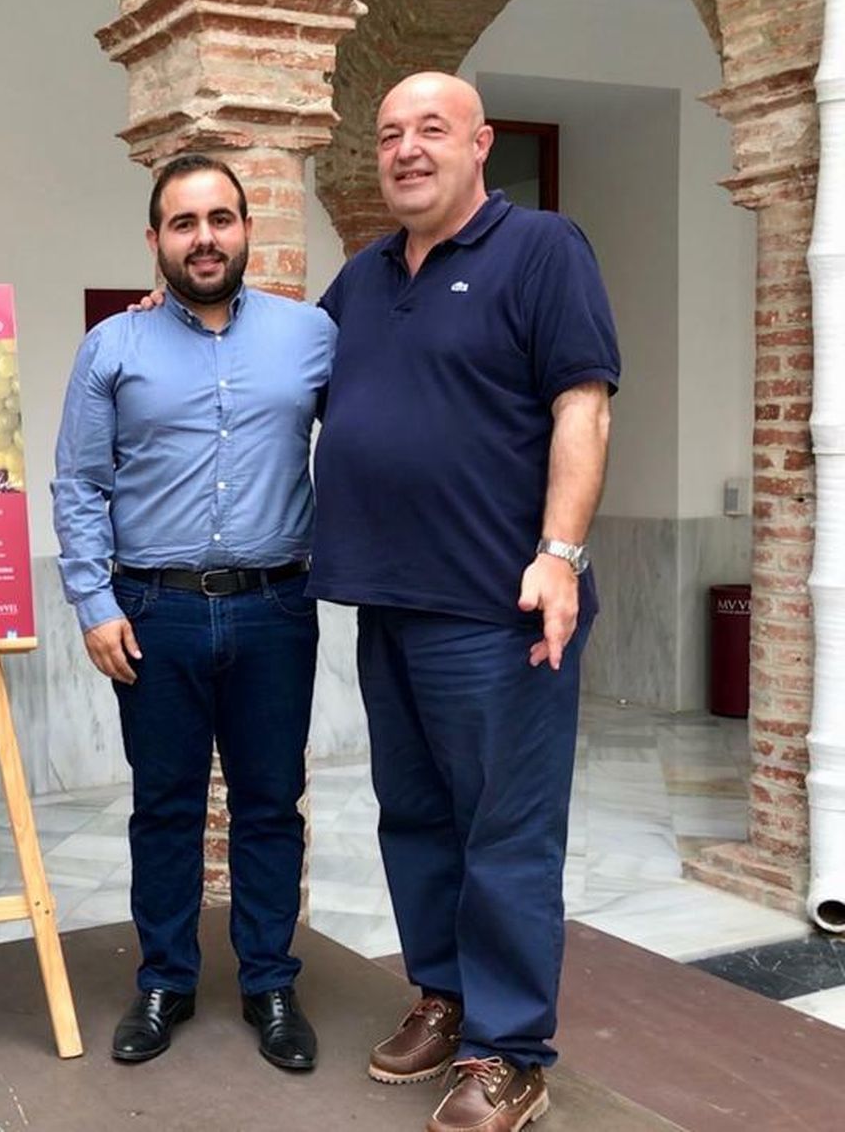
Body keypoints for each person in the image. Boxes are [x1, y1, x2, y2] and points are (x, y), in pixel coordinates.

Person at [313, 73, 619, 1132]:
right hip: (387, 603)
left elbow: (581, 403)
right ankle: (444, 997)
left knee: (506, 831)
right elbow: (287, 379)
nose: (405, 150)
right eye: (389, 133)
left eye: (429, 130)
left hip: (501, 607)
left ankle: (509, 1049)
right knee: (416, 819)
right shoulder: (359, 281)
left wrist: (560, 552)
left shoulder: (542, 250)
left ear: (479, 144)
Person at [53, 154, 335, 1070]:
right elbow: (80, 484)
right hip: (152, 612)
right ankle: (165, 979)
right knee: (164, 805)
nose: (204, 237)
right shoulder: (113, 346)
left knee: (269, 805)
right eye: (184, 223)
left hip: (274, 611)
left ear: (247, 229)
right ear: (154, 241)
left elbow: (381, 431)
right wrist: (94, 602)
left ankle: (270, 983)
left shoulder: (312, 335)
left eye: (220, 219)